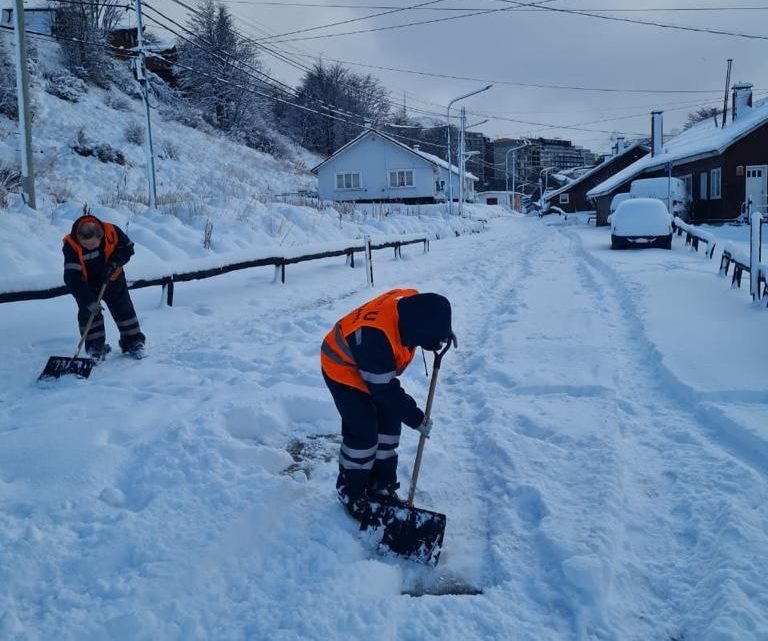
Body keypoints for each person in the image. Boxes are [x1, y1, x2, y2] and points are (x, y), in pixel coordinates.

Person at [320, 288, 453, 521]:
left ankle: (380, 485)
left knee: (389, 425)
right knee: (363, 434)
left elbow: (432, 311)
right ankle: (350, 491)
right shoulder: (375, 337)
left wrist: (441, 331)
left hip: (371, 365)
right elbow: (384, 391)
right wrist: (415, 417)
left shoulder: (412, 307)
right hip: (341, 367)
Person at [62, 212, 146, 360]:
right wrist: (88, 301)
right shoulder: (71, 245)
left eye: (93, 245)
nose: (89, 248)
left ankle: (133, 342)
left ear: (100, 237)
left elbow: (127, 249)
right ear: (79, 237)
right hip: (86, 284)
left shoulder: (111, 231)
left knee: (124, 309)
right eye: (85, 245)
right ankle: (95, 348)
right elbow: (72, 278)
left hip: (113, 279)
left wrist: (115, 262)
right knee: (89, 314)